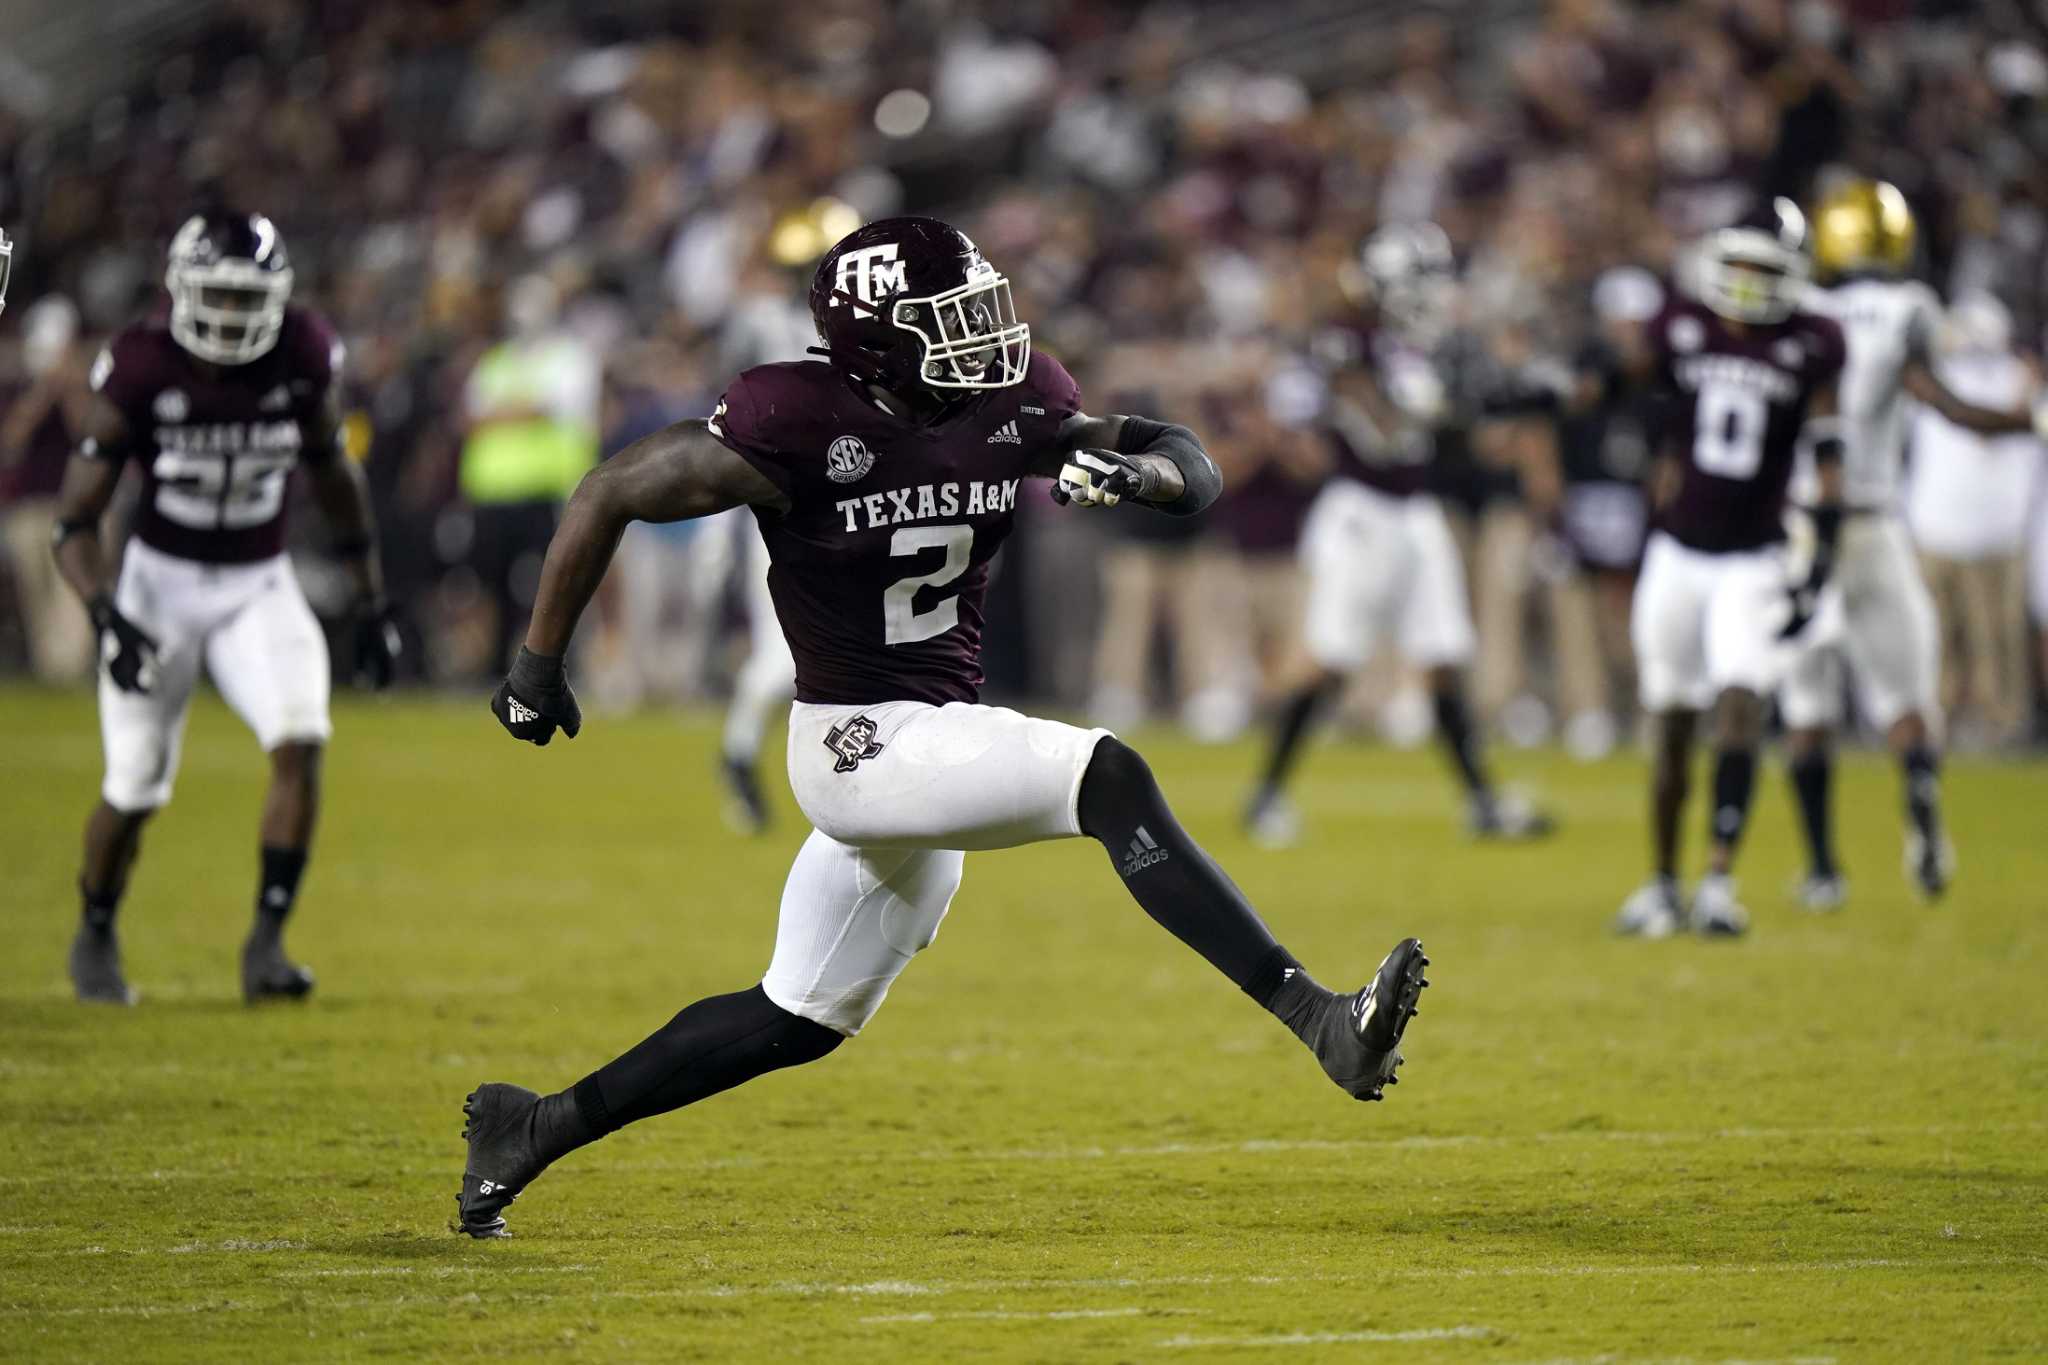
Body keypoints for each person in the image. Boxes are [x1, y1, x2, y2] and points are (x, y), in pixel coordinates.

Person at [457, 217, 1431, 1237]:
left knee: (798, 1018)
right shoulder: (789, 417)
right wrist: (535, 665)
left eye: (979, 306)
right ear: (875, 339)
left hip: (929, 740)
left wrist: (1139, 477)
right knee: (1106, 776)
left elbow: (1183, 462)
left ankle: (530, 1131)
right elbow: (610, 488)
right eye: (948, 319)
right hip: (855, 741)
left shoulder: (1015, 401)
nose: (983, 334)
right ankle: (1316, 1017)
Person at [49, 212, 400, 1004]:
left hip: (257, 580)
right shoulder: (140, 365)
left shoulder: (304, 352)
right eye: (219, 297)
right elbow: (72, 522)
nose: (234, 317)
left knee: (301, 736)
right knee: (136, 784)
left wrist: (374, 601)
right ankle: (96, 927)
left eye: (249, 300)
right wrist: (108, 615)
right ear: (180, 291)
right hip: (158, 583)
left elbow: (334, 475)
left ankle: (267, 943)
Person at [1244, 223, 1555, 847]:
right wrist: (1439, 406)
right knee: (1331, 661)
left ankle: (1483, 801)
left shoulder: (1428, 343)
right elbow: (1376, 431)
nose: (1433, 295)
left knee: (1443, 659)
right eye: (1421, 282)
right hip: (1362, 512)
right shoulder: (1349, 338)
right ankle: (1267, 796)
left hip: (1416, 511)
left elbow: (1467, 426)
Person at [1781, 183, 2046, 908]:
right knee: (1907, 696)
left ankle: (1822, 868)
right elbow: (1941, 400)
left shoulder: (1800, 309)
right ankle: (1922, 804)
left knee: (1808, 701)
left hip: (1804, 523)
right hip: (1875, 520)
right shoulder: (1908, 309)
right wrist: (2024, 422)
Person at [1616, 198, 1847, 938]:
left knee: (1742, 703)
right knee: (1673, 722)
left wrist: (1824, 548)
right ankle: (1659, 882)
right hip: (1677, 553)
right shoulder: (1684, 325)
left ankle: (1717, 880)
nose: (1746, 284)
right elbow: (1633, 385)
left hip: (1754, 556)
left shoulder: (1812, 342)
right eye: (1738, 267)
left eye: (1763, 270)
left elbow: (1829, 446)